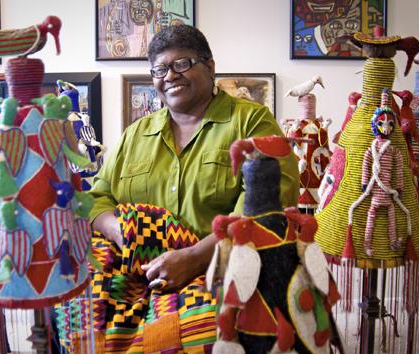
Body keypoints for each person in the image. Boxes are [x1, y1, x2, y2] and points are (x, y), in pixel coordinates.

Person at [87, 24, 299, 352]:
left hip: (218, 266)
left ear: (210, 66)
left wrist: (194, 257)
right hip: (136, 268)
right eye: (159, 68)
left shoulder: (251, 122)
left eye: (181, 63)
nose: (170, 75)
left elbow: (267, 206)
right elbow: (97, 199)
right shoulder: (135, 135)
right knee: (86, 316)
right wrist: (124, 231)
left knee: (195, 332)